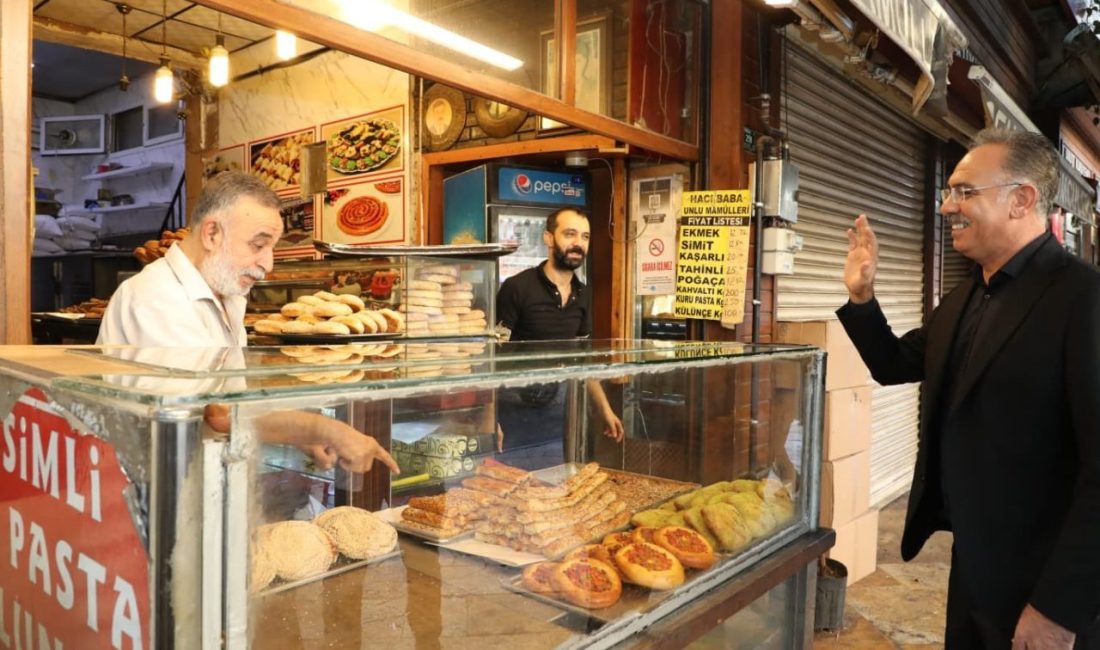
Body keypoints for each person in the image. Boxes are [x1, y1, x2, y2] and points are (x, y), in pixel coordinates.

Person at [836, 128, 1100, 649]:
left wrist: (1058, 609)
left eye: (963, 192)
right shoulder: (964, 297)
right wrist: (862, 297)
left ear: (1022, 199)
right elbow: (894, 364)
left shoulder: (1083, 299)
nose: (945, 207)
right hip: (972, 567)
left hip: (1043, 585)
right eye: (947, 192)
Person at [98, 170, 399, 475]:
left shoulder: (225, 297)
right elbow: (214, 414)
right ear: (212, 233)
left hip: (207, 481)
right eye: (258, 245)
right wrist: (327, 431)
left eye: (272, 247)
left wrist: (296, 434)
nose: (268, 264)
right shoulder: (156, 297)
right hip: (153, 490)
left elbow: (232, 403)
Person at [495, 207, 625, 466]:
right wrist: (492, 420)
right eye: (570, 234)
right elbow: (492, 359)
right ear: (548, 238)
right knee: (516, 494)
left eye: (585, 237)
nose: (578, 243)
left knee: (561, 489)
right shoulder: (517, 288)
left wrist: (605, 409)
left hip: (563, 414)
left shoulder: (584, 294)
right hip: (516, 416)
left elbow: (581, 360)